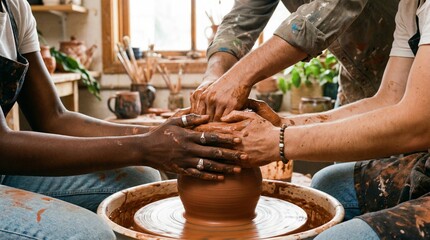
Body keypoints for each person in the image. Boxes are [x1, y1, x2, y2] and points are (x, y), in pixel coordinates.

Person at [0, 0, 245, 239]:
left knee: (142, 179)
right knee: (91, 234)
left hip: (6, 172)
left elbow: (54, 118)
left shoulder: (15, 7)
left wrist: (161, 135)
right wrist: (145, 148)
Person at [201, 0, 430, 239]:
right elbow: (390, 99)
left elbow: (417, 123)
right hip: (381, 89)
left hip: (414, 117)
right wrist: (280, 125)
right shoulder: (410, 6)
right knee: (328, 182)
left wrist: (277, 141)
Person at [191, 0, 399, 121]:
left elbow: (331, 7)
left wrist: (238, 78)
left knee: (404, 179)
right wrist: (214, 76)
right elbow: (240, 21)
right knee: (345, 174)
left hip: (411, 72)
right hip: (357, 75)